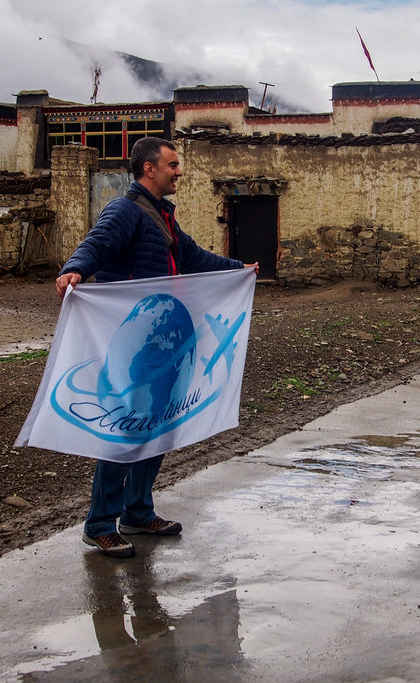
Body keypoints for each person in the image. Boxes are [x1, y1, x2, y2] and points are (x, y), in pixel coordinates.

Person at [56, 136, 257, 558]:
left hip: (164, 342)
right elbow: (98, 242)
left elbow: (194, 259)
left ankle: (138, 512)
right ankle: (99, 523)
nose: (178, 171)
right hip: (132, 346)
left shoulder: (163, 218)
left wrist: (238, 269)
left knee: (158, 427)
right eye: (173, 164)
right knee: (124, 431)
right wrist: (76, 268)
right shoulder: (125, 210)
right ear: (150, 169)